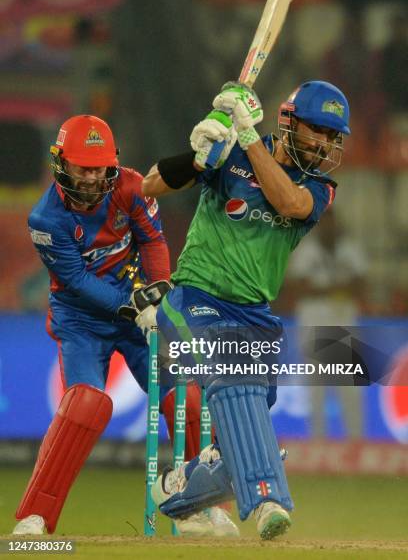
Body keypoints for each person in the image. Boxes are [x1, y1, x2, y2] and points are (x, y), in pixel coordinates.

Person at [140, 79, 351, 540]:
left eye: (334, 137)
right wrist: (197, 156)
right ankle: (267, 500)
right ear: (290, 124)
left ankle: (177, 490)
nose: (327, 145)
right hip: (194, 300)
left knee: (245, 414)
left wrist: (248, 136)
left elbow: (288, 202)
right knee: (236, 384)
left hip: (255, 315)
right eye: (320, 131)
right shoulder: (230, 154)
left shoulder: (318, 189)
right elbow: (149, 185)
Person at [13, 114, 236, 537]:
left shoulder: (130, 186)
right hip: (82, 320)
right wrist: (134, 307)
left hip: (138, 308)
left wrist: (157, 295)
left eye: (100, 167)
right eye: (83, 167)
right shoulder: (46, 219)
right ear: (62, 163)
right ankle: (35, 518)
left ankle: (203, 509)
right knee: (84, 405)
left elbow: (152, 240)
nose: (94, 177)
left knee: (186, 399)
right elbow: (76, 282)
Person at [285, 207, 368, 438]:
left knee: (350, 389)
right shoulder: (306, 250)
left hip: (344, 325)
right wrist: (337, 288)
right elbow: (296, 287)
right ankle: (318, 443)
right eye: (325, 222)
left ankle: (356, 443)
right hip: (313, 327)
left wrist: (319, 289)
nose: (329, 227)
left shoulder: (350, 249)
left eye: (332, 222)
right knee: (316, 389)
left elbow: (362, 285)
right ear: (319, 225)